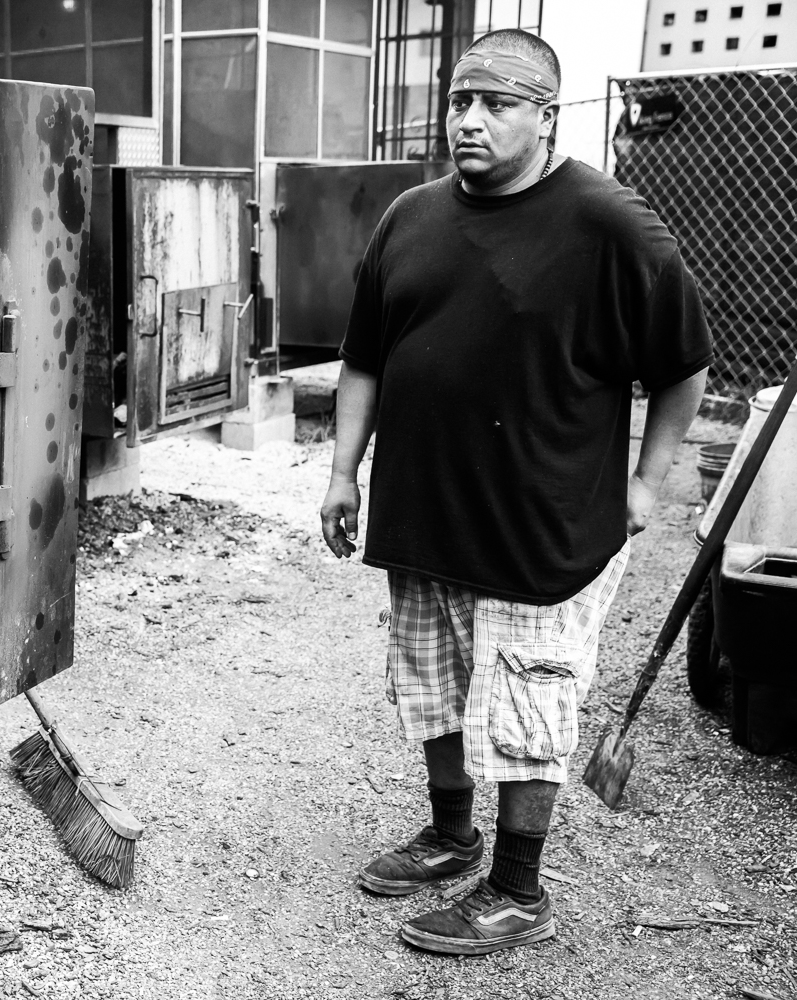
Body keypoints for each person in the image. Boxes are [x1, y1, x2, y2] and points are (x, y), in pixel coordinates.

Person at [319, 29, 712, 956]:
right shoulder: (408, 216)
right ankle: (453, 834)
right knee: (433, 686)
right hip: (425, 511)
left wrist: (646, 483)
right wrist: (343, 471)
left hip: (545, 523)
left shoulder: (609, 223)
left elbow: (683, 367)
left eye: (496, 103)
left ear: (546, 114)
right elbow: (364, 359)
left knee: (531, 703)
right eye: (461, 100)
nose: (469, 119)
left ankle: (517, 888)